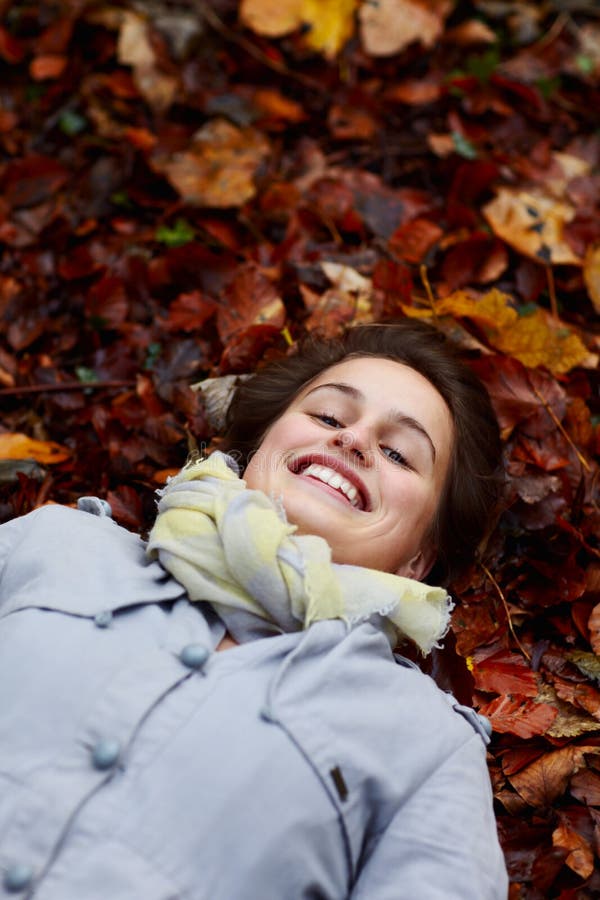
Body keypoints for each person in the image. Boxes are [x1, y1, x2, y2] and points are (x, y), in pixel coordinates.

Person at [0, 319, 509, 899]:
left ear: (420, 558)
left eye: (398, 452)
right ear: (257, 448)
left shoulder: (425, 745)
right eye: (328, 417)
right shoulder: (53, 544)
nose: (353, 440)